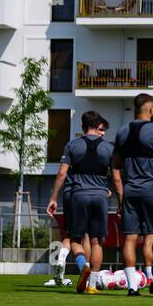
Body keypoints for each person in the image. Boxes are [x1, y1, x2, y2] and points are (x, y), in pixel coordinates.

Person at [113, 93, 153, 297]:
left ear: (135, 110)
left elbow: (115, 164)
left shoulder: (122, 132)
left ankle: (133, 287)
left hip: (130, 190)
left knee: (130, 238)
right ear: (151, 110)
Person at [47, 112, 115, 294]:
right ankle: (92, 285)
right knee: (97, 242)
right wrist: (119, 198)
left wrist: (53, 197)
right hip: (101, 197)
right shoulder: (109, 147)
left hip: (79, 195)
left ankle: (82, 265)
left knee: (76, 239)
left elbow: (62, 174)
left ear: (82, 126)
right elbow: (116, 177)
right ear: (98, 125)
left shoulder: (72, 145)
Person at [45, 180, 76, 286]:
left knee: (68, 235)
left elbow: (62, 173)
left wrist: (53, 197)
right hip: (88, 193)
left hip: (69, 193)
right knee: (87, 236)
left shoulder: (71, 162)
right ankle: (88, 279)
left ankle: (61, 259)